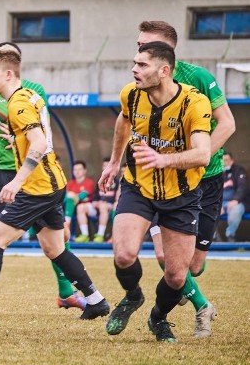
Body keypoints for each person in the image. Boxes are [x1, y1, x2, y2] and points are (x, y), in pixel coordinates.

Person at [0, 45, 110, 322]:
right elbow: (40, 138)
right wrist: (16, 141)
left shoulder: (18, 103)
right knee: (54, 248)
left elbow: (38, 142)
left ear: (9, 74)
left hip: (36, 187)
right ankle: (96, 301)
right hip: (53, 181)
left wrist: (16, 182)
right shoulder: (30, 95)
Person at [127, 20, 235, 338]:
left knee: (194, 265)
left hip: (208, 177)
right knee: (164, 256)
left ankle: (189, 301)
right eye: (138, 46)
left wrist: (198, 161)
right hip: (165, 182)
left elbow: (227, 124)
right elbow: (128, 121)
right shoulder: (141, 79)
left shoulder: (199, 78)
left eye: (144, 45)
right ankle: (200, 306)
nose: (138, 53)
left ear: (168, 50)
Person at [99, 41, 212, 342]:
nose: (134, 70)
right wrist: (113, 162)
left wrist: (164, 160)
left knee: (177, 276)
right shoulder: (131, 95)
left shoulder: (195, 103)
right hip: (139, 186)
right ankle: (133, 296)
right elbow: (124, 120)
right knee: (123, 255)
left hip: (182, 194)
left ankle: (158, 317)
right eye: (134, 63)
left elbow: (203, 154)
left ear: (164, 71)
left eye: (142, 65)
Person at [92, 158, 121, 242]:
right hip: (99, 205)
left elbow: (116, 198)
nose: (106, 168)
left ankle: (100, 234)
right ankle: (84, 234)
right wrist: (95, 201)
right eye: (104, 166)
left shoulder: (116, 181)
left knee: (103, 206)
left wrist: (105, 202)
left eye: (108, 166)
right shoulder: (99, 180)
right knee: (81, 207)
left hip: (110, 206)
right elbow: (96, 195)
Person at [68, 160, 97, 242]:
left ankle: (85, 235)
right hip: (72, 208)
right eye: (75, 170)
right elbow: (67, 198)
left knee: (80, 207)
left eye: (79, 169)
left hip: (90, 207)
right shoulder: (70, 183)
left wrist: (74, 196)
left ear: (85, 171)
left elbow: (81, 197)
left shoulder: (89, 182)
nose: (77, 172)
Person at [222, 152, 247, 242]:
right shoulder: (217, 172)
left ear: (231, 161)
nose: (224, 163)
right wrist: (217, 204)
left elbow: (243, 186)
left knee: (236, 211)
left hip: (236, 202)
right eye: (222, 161)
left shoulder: (239, 170)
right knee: (210, 211)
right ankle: (212, 238)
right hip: (220, 203)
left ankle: (230, 236)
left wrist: (235, 200)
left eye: (226, 160)